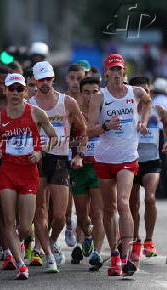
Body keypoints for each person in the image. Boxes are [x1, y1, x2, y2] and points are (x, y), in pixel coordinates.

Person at [87, 54, 151, 276]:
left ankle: (126, 256)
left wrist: (143, 120)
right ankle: (113, 254)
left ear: (124, 71)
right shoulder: (99, 97)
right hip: (104, 159)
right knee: (109, 208)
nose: (116, 73)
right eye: (112, 69)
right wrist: (105, 126)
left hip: (127, 157)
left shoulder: (135, 92)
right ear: (106, 72)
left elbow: (148, 102)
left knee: (123, 203)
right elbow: (89, 130)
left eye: (119, 69)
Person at [0, 73, 56, 280]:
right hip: (8, 172)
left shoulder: (36, 113)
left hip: (28, 173)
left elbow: (54, 137)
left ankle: (19, 243)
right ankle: (20, 264)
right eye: (12, 89)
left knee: (25, 226)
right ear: (6, 91)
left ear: (25, 91)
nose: (16, 93)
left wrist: (41, 153)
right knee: (9, 220)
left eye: (19, 89)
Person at [29, 61, 87, 273]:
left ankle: (52, 241)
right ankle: (47, 251)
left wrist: (79, 153)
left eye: (48, 79)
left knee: (60, 215)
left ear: (53, 78)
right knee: (40, 210)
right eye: (41, 79)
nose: (45, 83)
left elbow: (83, 130)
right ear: (35, 80)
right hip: (37, 160)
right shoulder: (30, 104)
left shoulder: (68, 102)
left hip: (61, 160)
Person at [128, 76, 167, 262]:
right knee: (133, 204)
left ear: (150, 91)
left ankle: (149, 240)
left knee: (150, 197)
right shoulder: (127, 111)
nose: (144, 93)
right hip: (131, 160)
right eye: (139, 90)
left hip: (152, 160)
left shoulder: (158, 110)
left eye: (146, 90)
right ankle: (136, 241)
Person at [69, 77, 105, 267]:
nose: (91, 96)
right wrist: (78, 143)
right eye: (87, 92)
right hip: (78, 168)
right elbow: (63, 140)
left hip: (99, 167)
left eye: (95, 92)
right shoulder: (75, 114)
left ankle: (97, 254)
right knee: (83, 215)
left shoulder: (105, 113)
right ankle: (87, 236)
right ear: (81, 94)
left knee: (98, 213)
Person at [64, 64, 86, 248]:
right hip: (64, 151)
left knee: (82, 196)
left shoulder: (90, 98)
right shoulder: (62, 100)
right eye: (72, 78)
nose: (75, 82)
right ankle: (68, 224)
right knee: (67, 195)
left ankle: (82, 231)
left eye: (79, 78)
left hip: (86, 152)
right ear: (66, 79)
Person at [151, 77, 167, 200]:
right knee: (164, 163)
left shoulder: (153, 102)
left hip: (156, 133)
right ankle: (165, 191)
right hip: (165, 134)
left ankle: (159, 190)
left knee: (157, 162)